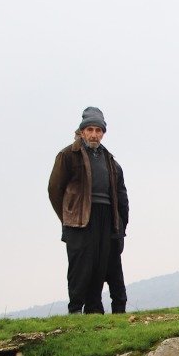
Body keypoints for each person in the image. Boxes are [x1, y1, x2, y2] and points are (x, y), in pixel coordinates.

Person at [48, 107, 130, 314]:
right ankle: (75, 310)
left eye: (98, 130)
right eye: (90, 129)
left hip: (105, 216)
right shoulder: (68, 155)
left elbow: (120, 197)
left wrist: (120, 225)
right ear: (82, 131)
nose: (94, 134)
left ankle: (94, 311)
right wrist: (69, 215)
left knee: (100, 265)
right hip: (80, 220)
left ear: (103, 133)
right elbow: (55, 190)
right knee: (80, 266)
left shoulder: (110, 160)